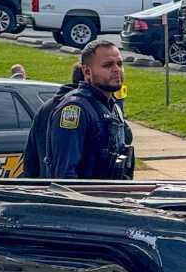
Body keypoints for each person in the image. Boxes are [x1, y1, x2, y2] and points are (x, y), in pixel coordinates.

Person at [45, 42, 135, 179]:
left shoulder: (113, 107)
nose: (117, 69)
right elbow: (65, 175)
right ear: (87, 72)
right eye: (108, 65)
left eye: (119, 64)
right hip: (85, 198)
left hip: (110, 196)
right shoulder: (75, 109)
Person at [22, 63, 83, 178]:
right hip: (76, 187)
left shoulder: (45, 108)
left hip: (45, 184)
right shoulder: (79, 108)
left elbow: (30, 157)